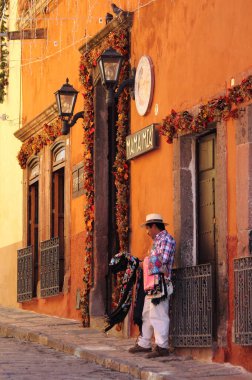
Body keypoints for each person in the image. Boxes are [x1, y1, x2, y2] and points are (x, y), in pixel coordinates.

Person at [129, 213, 176, 358]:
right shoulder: (157, 241)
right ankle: (145, 343)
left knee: (158, 313)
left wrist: (145, 263)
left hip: (160, 283)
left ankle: (162, 346)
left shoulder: (167, 239)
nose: (147, 232)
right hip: (152, 283)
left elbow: (163, 261)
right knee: (147, 313)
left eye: (148, 228)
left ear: (154, 226)